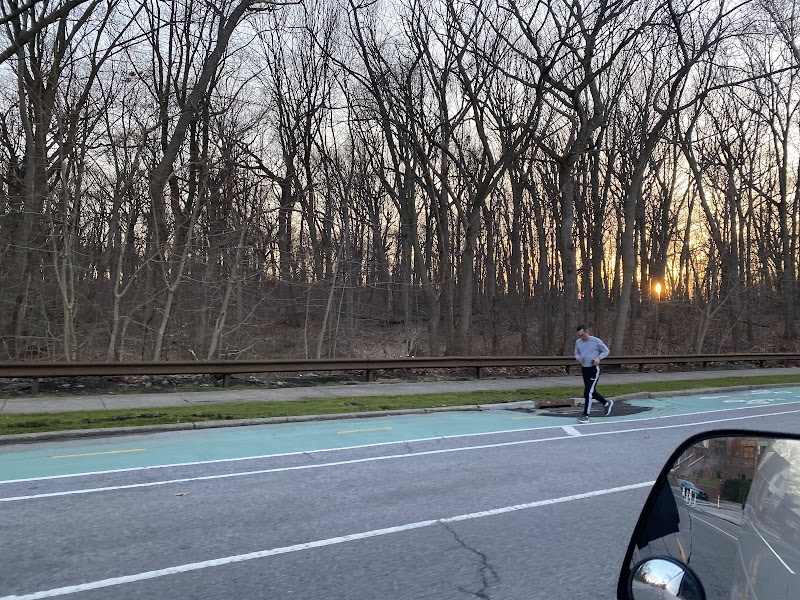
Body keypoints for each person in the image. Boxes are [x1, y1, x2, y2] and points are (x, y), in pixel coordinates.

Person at [574, 324, 612, 423]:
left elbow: (606, 350)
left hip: (593, 369)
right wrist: (578, 357)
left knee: (587, 392)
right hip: (584, 368)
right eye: (579, 335)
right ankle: (606, 403)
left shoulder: (595, 341)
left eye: (583, 335)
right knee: (592, 392)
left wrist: (599, 358)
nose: (582, 337)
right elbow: (576, 353)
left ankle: (585, 415)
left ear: (587, 332)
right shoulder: (578, 342)